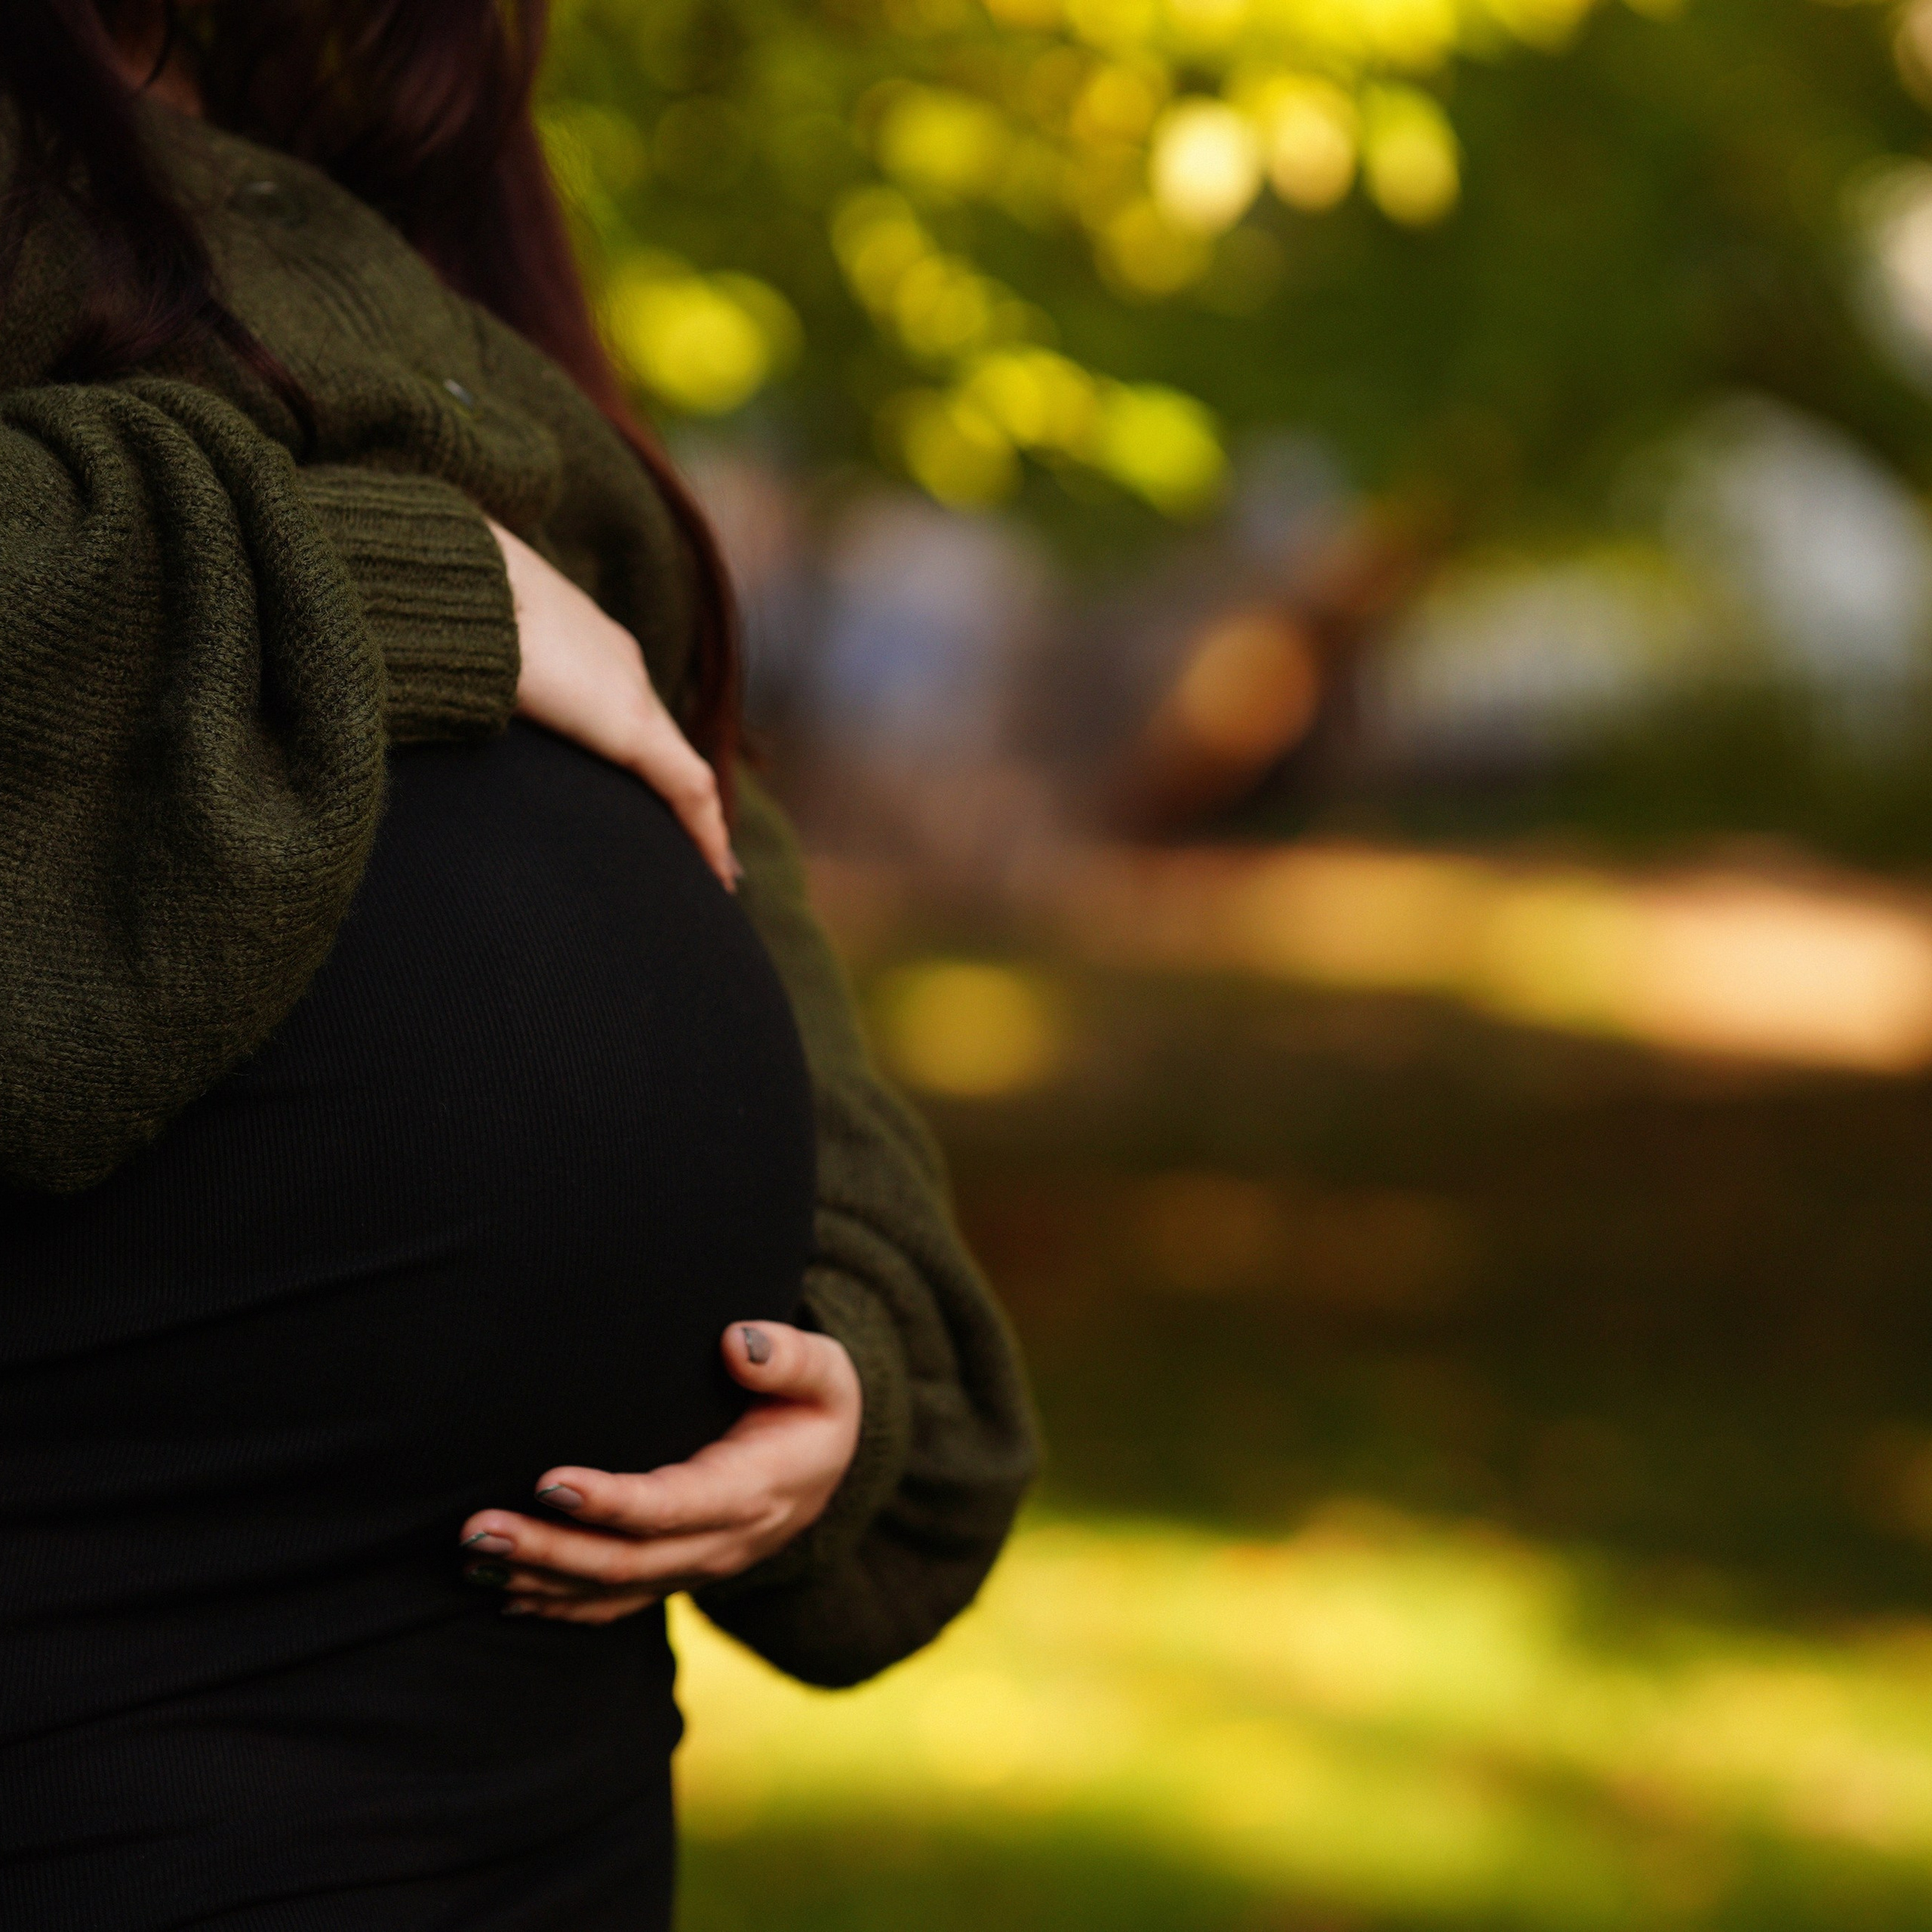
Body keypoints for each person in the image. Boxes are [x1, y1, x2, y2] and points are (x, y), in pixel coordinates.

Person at [0, 2, 1037, 1926]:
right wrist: (388, 583)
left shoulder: (402, 199)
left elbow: (694, 791)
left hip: (524, 1759)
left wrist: (852, 1333)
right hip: (106, 1712)